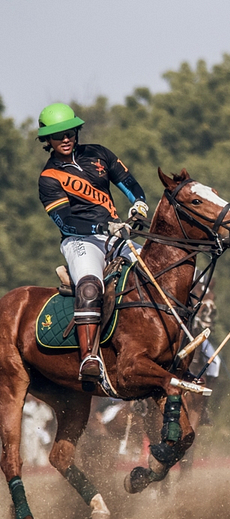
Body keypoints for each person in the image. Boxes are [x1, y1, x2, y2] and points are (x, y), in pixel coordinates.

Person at [37, 103, 149, 386]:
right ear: (46, 140)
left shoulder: (99, 153)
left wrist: (138, 203)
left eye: (70, 132)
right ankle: (90, 357)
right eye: (58, 135)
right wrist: (102, 227)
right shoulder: (48, 178)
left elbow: (128, 182)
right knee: (89, 286)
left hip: (116, 236)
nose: (65, 138)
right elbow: (64, 221)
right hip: (80, 241)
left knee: (152, 275)